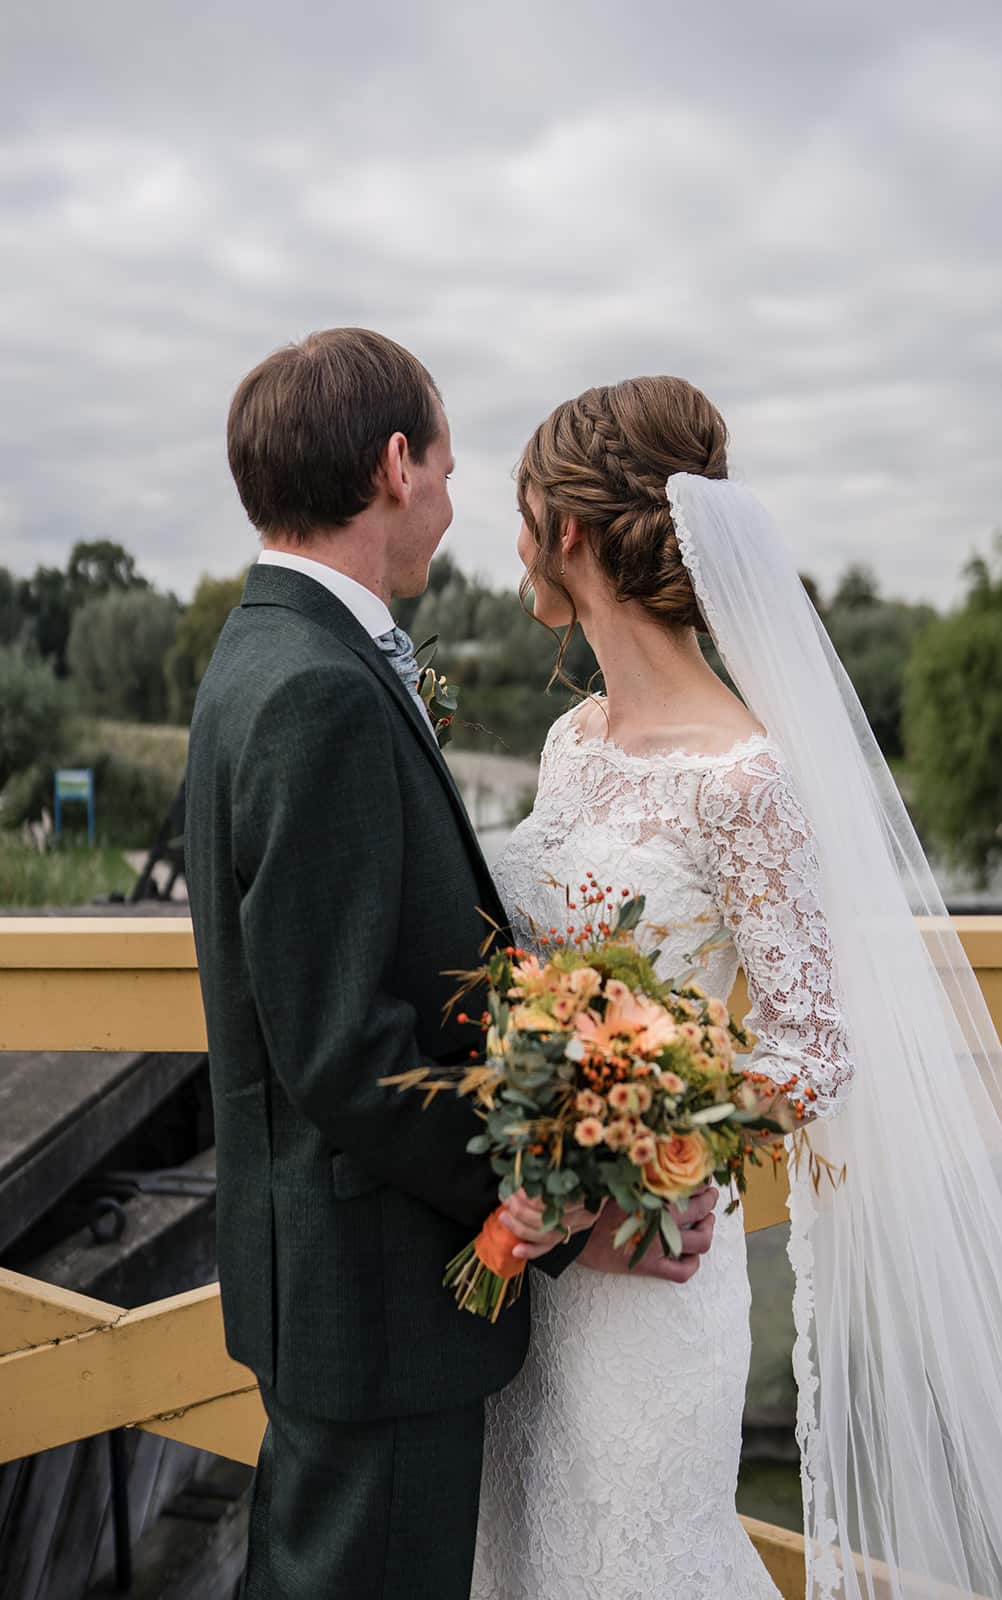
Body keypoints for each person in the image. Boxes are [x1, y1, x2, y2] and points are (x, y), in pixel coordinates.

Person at [471, 376, 1002, 1598]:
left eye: (520, 513)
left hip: (647, 1260)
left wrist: (643, 1145)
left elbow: (810, 1046)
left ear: (566, 531)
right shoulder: (570, 741)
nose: (513, 542)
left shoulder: (743, 779)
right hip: (544, 1265)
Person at [184, 331, 717, 1600]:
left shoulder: (269, 652)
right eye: (446, 466)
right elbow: (346, 1052)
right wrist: (556, 1212)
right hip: (377, 1298)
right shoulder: (318, 689)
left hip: (336, 1283)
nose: (453, 496)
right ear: (394, 466)